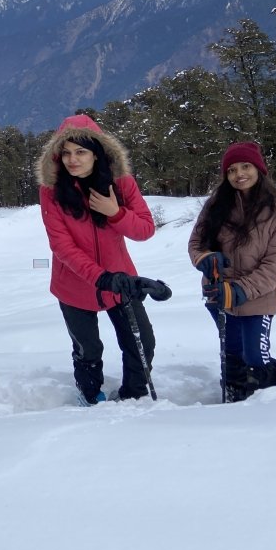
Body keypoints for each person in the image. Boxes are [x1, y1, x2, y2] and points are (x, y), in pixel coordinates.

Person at [37, 114, 157, 405]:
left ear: (97, 153)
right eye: (66, 152)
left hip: (121, 281)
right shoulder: (52, 192)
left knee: (141, 342)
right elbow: (62, 246)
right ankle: (91, 396)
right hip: (74, 285)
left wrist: (115, 213)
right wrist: (101, 278)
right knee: (88, 349)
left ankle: (134, 394)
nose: (72, 160)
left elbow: (145, 229)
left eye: (80, 152)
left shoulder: (121, 184)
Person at [187, 141, 276, 401]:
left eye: (246, 166)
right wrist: (204, 258)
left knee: (255, 356)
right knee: (232, 351)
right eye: (232, 170)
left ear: (259, 169)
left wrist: (240, 289)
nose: (239, 174)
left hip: (258, 298)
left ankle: (270, 396)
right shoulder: (216, 204)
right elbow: (196, 242)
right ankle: (235, 393)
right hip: (218, 293)